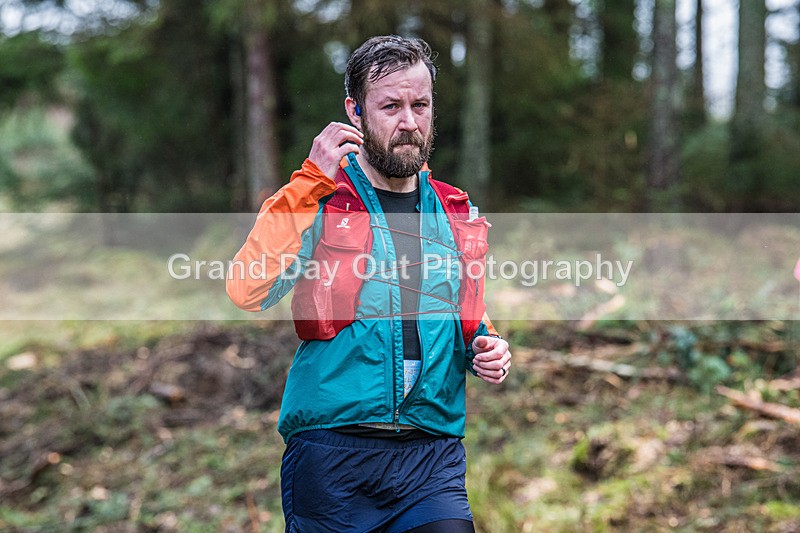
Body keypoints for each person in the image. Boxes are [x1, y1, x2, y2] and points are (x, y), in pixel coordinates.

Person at [227, 35, 512, 533]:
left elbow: (465, 314)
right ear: (354, 112)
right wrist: (309, 179)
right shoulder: (322, 198)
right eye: (390, 106)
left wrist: (485, 344)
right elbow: (248, 288)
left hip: (431, 455)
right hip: (332, 452)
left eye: (420, 105)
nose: (409, 122)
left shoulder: (455, 209)